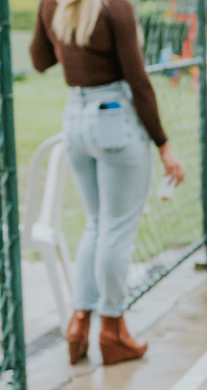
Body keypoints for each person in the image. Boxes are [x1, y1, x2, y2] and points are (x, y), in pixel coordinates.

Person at [30, 0, 184, 366]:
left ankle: (79, 323)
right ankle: (113, 331)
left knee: (97, 224)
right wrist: (164, 145)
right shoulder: (115, 7)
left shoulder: (51, 3)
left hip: (76, 121)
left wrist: (67, 41)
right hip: (115, 117)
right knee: (115, 229)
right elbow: (138, 81)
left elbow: (40, 60)